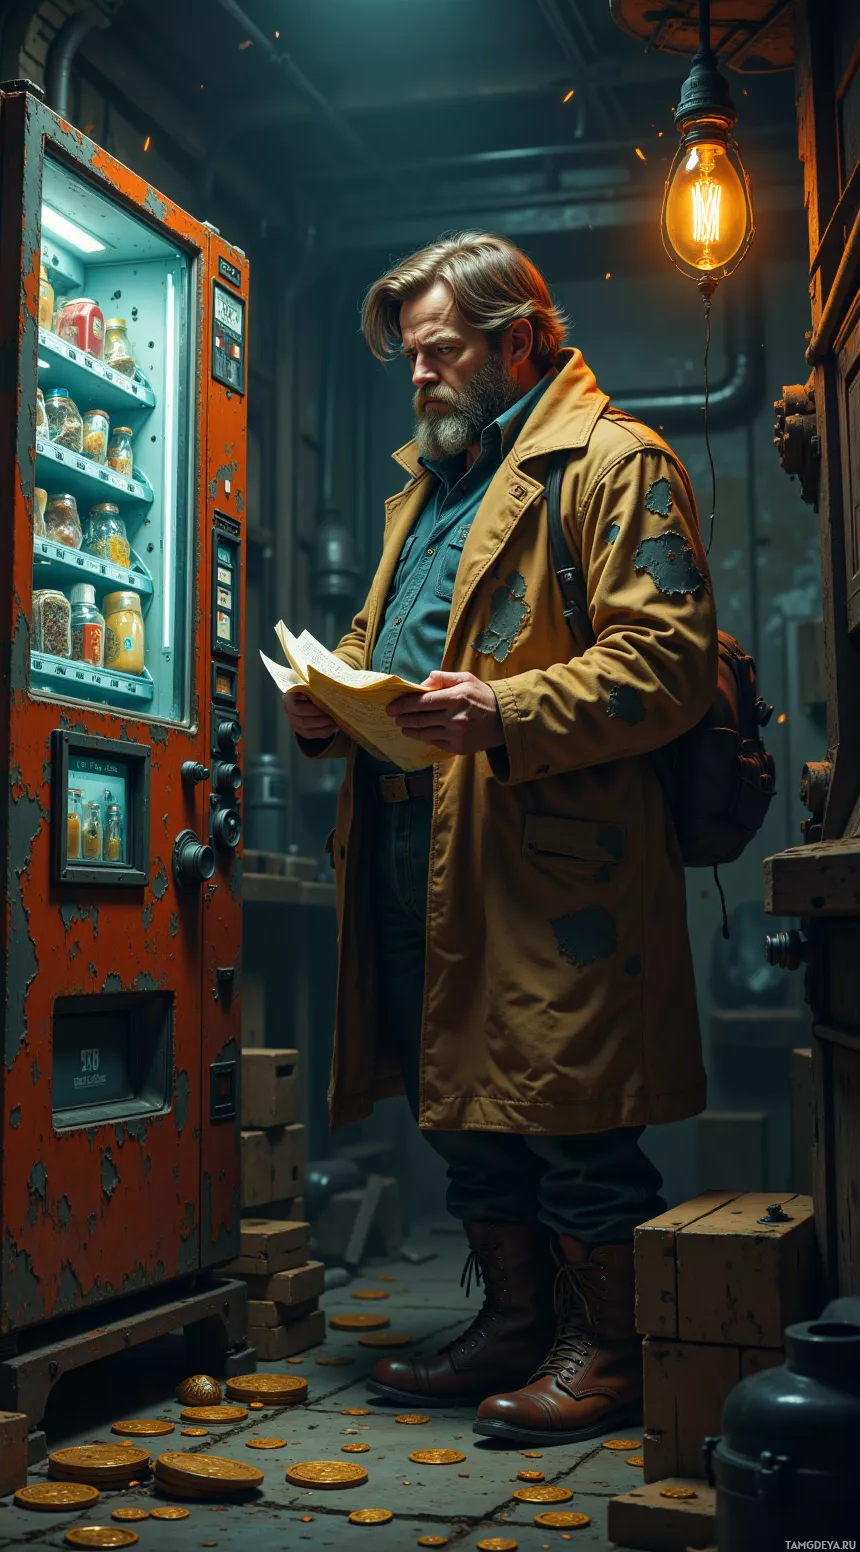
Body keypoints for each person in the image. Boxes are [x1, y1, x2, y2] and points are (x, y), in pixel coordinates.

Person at [284, 232, 716, 1445]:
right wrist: (334, 706)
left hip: (546, 860)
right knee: (461, 1106)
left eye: (439, 353)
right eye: (409, 360)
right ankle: (517, 1327)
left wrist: (504, 706)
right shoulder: (429, 487)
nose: (417, 378)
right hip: (415, 844)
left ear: (518, 338)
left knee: (572, 1117)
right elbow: (394, 659)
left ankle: (607, 1352)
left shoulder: (613, 461)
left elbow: (668, 664)